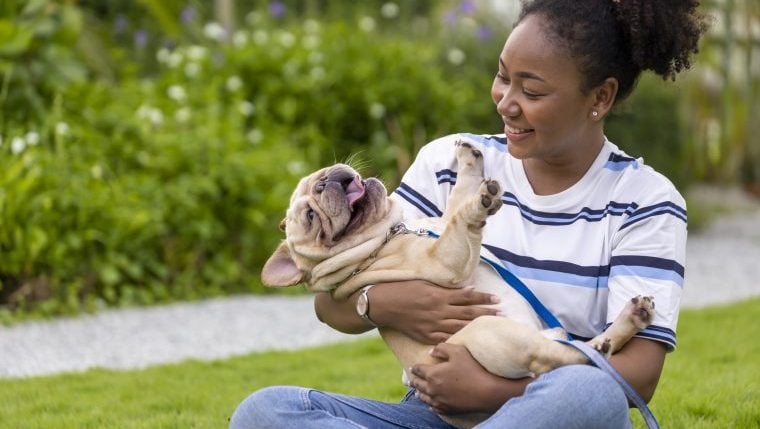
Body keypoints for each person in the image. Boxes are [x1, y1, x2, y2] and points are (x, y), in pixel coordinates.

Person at [229, 0, 708, 427]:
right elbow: (330, 304)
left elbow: (639, 377)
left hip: (551, 409)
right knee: (264, 411)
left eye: (533, 92)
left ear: (599, 98)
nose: (506, 101)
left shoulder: (644, 201)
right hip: (436, 415)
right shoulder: (451, 162)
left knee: (590, 393)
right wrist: (382, 304)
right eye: (502, 77)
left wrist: (491, 392)